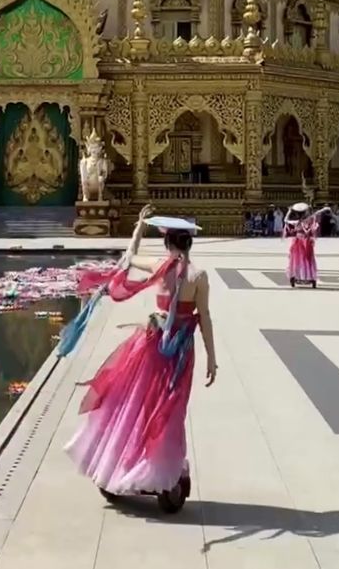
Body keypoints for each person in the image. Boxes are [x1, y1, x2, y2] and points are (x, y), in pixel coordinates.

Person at [62, 205, 217, 502]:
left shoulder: (159, 266)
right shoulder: (199, 276)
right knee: (168, 409)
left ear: (167, 243)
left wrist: (138, 228)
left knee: (134, 402)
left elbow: (129, 259)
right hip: (180, 349)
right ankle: (157, 467)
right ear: (190, 243)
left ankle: (121, 461)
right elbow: (205, 316)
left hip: (150, 343)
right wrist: (212, 357)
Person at [284, 202, 319, 286]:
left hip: (301, 242)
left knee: (299, 260)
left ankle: (301, 275)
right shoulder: (303, 222)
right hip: (301, 242)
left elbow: (285, 220)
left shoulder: (305, 222)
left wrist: (289, 211)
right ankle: (306, 276)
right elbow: (286, 221)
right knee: (304, 260)